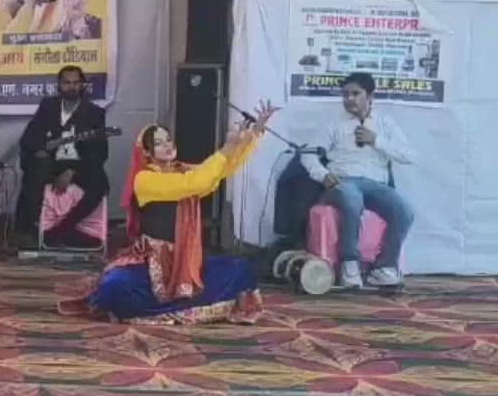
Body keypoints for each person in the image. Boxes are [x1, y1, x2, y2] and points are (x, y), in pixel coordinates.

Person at [65, 104, 278, 324]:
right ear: (146, 153)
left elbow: (220, 171)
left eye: (168, 140)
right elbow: (196, 182)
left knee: (240, 268)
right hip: (151, 261)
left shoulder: (182, 171)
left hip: (186, 260)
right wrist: (227, 147)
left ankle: (176, 303)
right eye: (158, 143)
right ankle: (178, 304)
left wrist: (254, 133)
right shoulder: (145, 180)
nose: (167, 145)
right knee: (115, 286)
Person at [300, 72, 414, 289]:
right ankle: (349, 264)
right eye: (345, 95)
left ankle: (385, 268)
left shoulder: (385, 123)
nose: (349, 99)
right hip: (343, 182)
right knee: (352, 199)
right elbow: (308, 154)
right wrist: (322, 174)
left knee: (405, 211)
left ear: (370, 96)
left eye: (355, 94)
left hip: (375, 184)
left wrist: (377, 141)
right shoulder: (334, 124)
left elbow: (409, 156)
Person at [16, 66, 108, 247]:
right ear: (59, 85)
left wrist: (72, 171)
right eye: (67, 83)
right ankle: (28, 231)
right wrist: (40, 150)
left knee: (98, 185)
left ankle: (60, 231)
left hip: (81, 165)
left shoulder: (94, 113)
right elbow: (28, 138)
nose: (71, 87)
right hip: (51, 163)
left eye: (76, 83)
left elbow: (100, 152)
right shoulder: (48, 107)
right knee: (34, 173)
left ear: (82, 85)